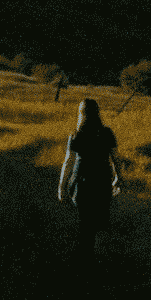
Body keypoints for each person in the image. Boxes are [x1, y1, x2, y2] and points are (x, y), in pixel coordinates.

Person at [57, 98, 123, 253]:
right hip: (102, 181)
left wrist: (62, 186)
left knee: (84, 221)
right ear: (97, 113)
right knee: (98, 220)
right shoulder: (107, 132)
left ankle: (85, 256)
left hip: (82, 182)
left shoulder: (76, 135)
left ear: (81, 114)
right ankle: (96, 254)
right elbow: (116, 158)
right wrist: (119, 177)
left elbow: (68, 161)